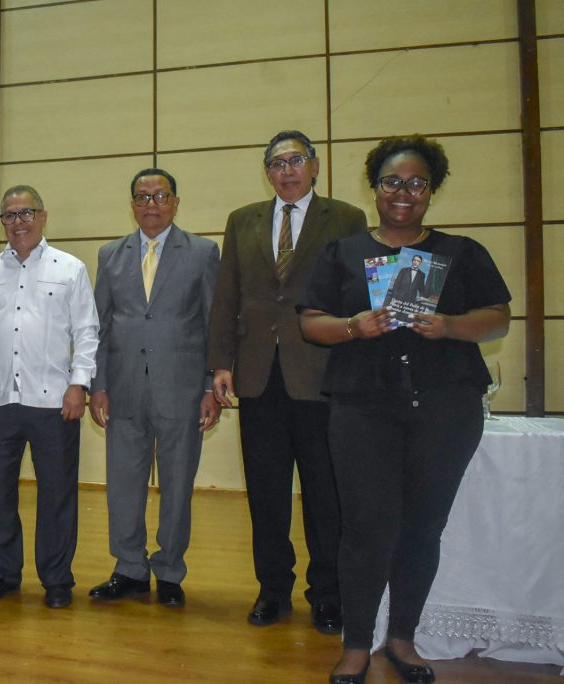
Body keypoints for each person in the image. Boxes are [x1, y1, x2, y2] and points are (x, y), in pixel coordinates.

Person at [298, 135, 511, 684]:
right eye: (393, 181)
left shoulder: (461, 251)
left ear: (431, 191)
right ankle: (355, 644)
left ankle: (403, 639)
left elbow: (499, 316)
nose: (403, 192)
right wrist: (354, 326)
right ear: (375, 187)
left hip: (446, 409)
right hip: (363, 409)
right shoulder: (342, 253)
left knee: (422, 528)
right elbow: (310, 321)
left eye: (417, 183)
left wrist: (451, 327)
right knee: (365, 529)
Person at [207, 131, 367, 633]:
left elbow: (355, 293)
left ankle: (327, 594)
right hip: (257, 377)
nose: (287, 170)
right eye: (277, 163)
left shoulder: (345, 218)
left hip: (320, 375)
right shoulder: (243, 220)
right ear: (267, 171)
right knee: (266, 492)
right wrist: (220, 363)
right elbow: (227, 294)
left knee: (325, 493)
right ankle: (272, 590)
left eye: (297, 160)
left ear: (315, 167)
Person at [0, 185, 98, 609]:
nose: (18, 222)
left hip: (55, 401)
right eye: (10, 215)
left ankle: (56, 579)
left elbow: (87, 332)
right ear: (2, 222)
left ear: (43, 216)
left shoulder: (69, 269)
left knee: (57, 493)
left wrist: (80, 383)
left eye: (26, 213)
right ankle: (2, 573)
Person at [88, 168, 221, 607]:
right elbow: (101, 326)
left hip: (181, 391)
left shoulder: (202, 252)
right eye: (142, 197)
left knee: (178, 486)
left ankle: (169, 571)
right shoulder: (111, 255)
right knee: (123, 485)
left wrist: (209, 388)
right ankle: (128, 567)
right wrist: (98, 384)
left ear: (175, 202)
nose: (151, 204)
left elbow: (212, 325)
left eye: (160, 196)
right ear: (132, 204)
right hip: (123, 390)